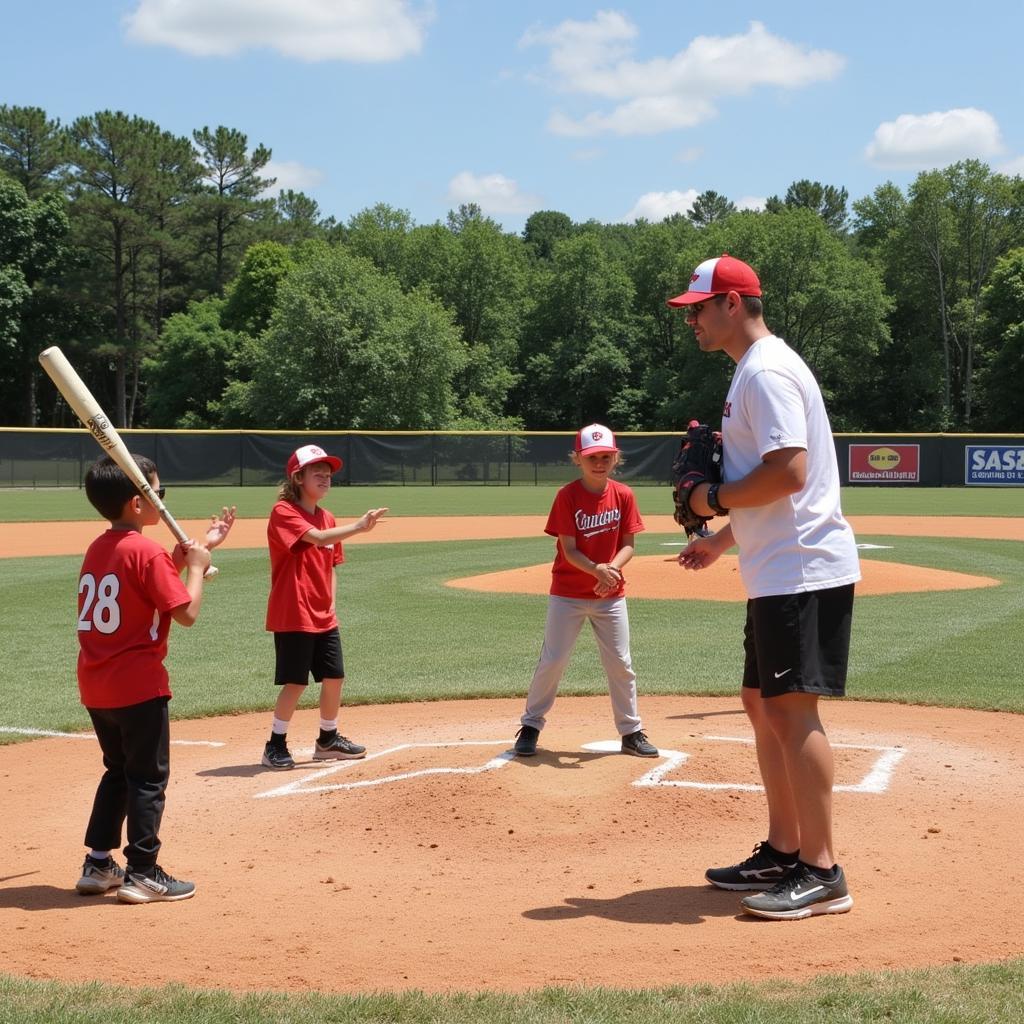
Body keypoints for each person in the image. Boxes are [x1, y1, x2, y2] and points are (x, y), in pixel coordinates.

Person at [668, 254, 860, 920]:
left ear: (731, 303)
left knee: (791, 711)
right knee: (759, 700)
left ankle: (822, 868)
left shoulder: (767, 371)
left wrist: (710, 497)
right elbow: (774, 485)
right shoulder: (752, 371)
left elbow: (789, 473)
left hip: (801, 569)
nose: (690, 319)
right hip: (777, 564)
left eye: (697, 307)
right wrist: (721, 537)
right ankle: (784, 848)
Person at [74, 454, 235, 903]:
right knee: (147, 778)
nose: (162, 503)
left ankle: (99, 863)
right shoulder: (145, 552)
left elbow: (137, 583)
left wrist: (188, 556)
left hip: (97, 684)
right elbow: (186, 613)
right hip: (138, 684)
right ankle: (143, 871)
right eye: (157, 495)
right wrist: (198, 569)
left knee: (118, 772)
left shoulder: (100, 546)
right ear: (137, 504)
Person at [514, 424, 658, 759]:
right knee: (554, 660)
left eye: (606, 456)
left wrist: (611, 570)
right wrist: (598, 569)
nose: (599, 462)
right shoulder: (567, 496)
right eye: (592, 457)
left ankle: (631, 732)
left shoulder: (623, 494)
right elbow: (568, 549)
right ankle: (531, 726)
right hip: (568, 593)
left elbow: (628, 546)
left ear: (615, 458)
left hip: (611, 595)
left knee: (621, 663)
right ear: (578, 458)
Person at [261, 444, 387, 770]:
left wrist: (331, 604)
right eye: (317, 471)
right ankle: (275, 744)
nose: (325, 476)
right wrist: (360, 527)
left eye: (328, 472)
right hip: (294, 612)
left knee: (334, 677)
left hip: (323, 615)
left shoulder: (328, 517)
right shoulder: (284, 512)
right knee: (296, 682)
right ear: (297, 476)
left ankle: (327, 740)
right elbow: (316, 538)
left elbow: (332, 565)